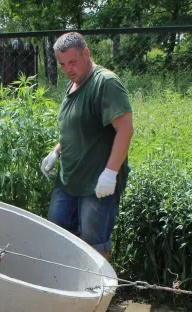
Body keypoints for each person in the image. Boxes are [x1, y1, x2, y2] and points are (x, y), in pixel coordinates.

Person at [40, 32, 134, 262]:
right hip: (69, 179)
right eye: (62, 64)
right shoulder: (74, 84)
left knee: (94, 245)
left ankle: (98, 294)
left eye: (72, 62)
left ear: (86, 53)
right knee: (58, 233)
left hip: (96, 183)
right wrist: (56, 151)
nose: (68, 69)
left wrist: (110, 174)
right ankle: (68, 290)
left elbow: (125, 130)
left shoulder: (105, 83)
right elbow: (79, 126)